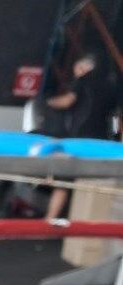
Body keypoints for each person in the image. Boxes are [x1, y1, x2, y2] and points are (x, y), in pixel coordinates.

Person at [46, 52, 117, 220]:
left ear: (86, 67)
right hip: (100, 141)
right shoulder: (111, 86)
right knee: (90, 183)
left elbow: (67, 101)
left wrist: (47, 102)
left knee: (62, 182)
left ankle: (50, 219)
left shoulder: (83, 81)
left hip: (78, 141)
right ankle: (83, 221)